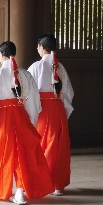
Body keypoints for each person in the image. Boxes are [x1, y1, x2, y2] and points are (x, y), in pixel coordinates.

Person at [0, 41, 54, 205]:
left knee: (3, 153)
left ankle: (5, 190)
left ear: (0, 55)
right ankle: (20, 190)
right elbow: (33, 101)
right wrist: (31, 120)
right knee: (23, 155)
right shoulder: (25, 74)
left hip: (3, 119)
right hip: (21, 116)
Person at [28, 33, 74, 196]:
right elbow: (68, 92)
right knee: (58, 146)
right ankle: (57, 185)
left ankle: (42, 181)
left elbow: (29, 91)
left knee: (43, 144)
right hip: (58, 108)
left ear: (41, 47)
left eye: (38, 46)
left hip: (43, 109)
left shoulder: (36, 67)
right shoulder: (60, 67)